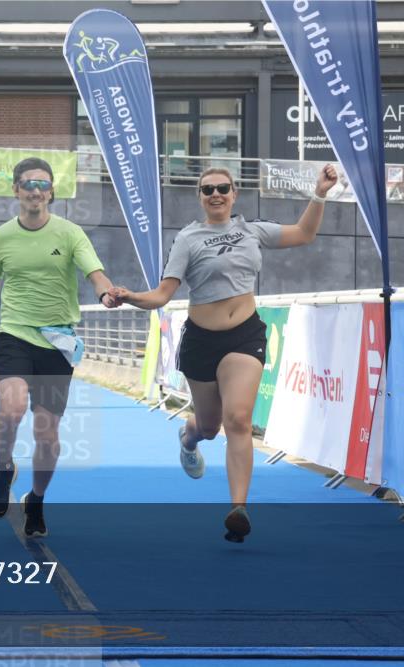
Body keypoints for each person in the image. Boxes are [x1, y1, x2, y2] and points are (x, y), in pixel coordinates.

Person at [109, 164, 338, 543]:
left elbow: (304, 233)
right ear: (200, 197)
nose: (215, 194)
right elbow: (163, 295)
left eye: (223, 188)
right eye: (207, 189)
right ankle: (189, 437)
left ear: (234, 194)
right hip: (202, 341)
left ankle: (238, 508)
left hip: (244, 337)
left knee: (238, 419)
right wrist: (131, 296)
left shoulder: (251, 230)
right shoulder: (188, 239)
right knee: (210, 427)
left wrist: (320, 193)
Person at [0, 157, 117, 538]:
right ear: (15, 190)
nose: (35, 191)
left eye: (42, 184)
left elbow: (93, 273)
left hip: (57, 341)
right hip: (14, 334)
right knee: (10, 410)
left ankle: (36, 498)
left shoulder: (69, 234)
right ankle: (3, 470)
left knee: (47, 434)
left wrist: (106, 291)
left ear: (52, 192)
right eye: (28, 184)